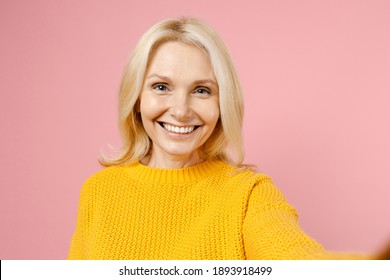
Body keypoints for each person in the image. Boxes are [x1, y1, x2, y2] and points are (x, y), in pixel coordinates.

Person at [67, 17, 381, 260]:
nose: (180, 110)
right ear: (136, 97)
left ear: (222, 103)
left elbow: (301, 263)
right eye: (161, 86)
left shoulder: (249, 195)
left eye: (201, 90)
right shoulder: (98, 192)